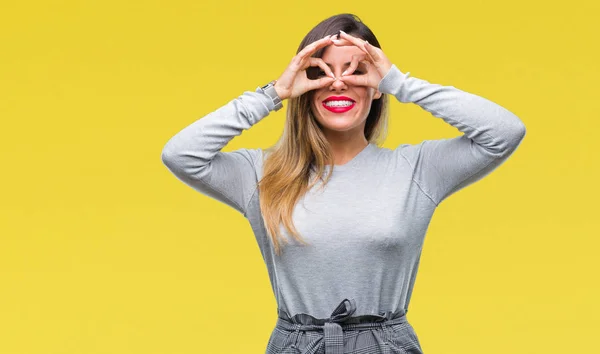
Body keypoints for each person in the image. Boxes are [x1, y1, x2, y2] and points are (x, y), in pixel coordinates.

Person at [161, 13, 526, 354]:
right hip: (297, 344)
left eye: (356, 71)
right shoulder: (262, 174)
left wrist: (400, 82)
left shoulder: (416, 169)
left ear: (377, 85)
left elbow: (504, 132)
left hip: (385, 344)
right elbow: (182, 154)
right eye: (321, 72)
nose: (338, 83)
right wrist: (274, 92)